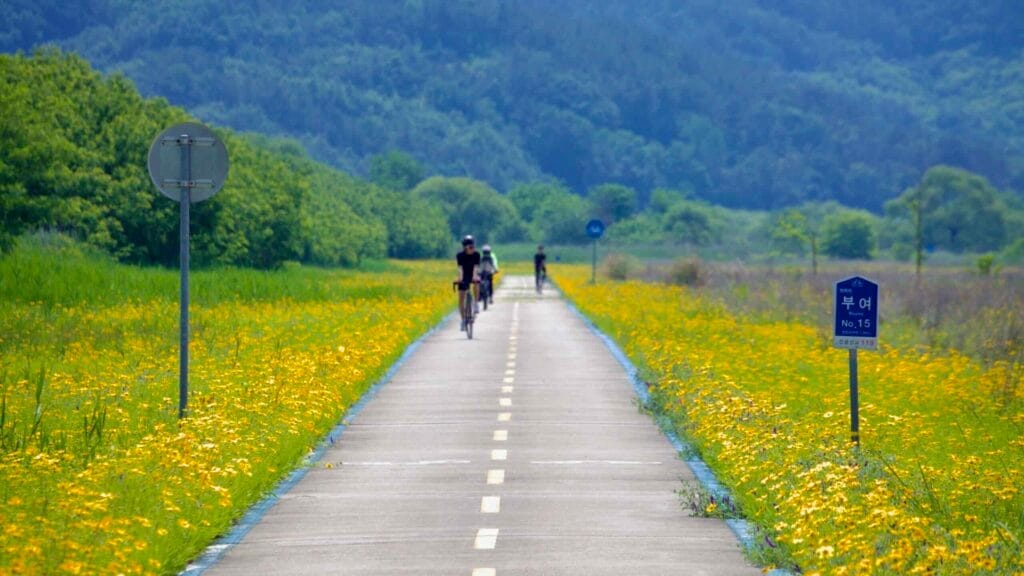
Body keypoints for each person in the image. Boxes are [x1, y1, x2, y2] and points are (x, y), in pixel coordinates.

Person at [455, 235, 481, 330]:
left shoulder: (476, 255)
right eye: (470, 247)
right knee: (461, 300)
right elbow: (460, 268)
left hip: (472, 274)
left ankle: (476, 303)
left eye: (473, 246)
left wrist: (474, 276)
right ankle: (463, 320)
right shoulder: (460, 256)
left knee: (477, 282)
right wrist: (460, 279)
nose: (472, 248)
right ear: (465, 247)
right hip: (464, 275)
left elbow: (476, 267)